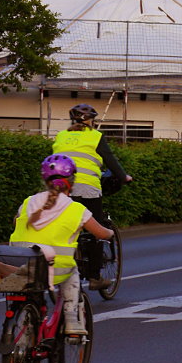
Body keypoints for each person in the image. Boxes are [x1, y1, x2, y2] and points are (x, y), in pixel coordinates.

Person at [9, 154, 114, 334]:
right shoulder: (75, 209)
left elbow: (16, 221)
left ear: (45, 180)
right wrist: (110, 233)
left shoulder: (28, 202)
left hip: (17, 264)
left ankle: (24, 327)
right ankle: (72, 320)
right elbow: (100, 233)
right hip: (54, 268)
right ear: (72, 182)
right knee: (72, 273)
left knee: (30, 290)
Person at [52, 103, 131, 290]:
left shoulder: (61, 136)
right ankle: (95, 277)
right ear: (90, 121)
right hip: (87, 189)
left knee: (66, 227)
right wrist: (124, 177)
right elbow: (111, 160)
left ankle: (62, 266)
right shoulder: (95, 137)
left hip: (62, 189)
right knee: (95, 229)